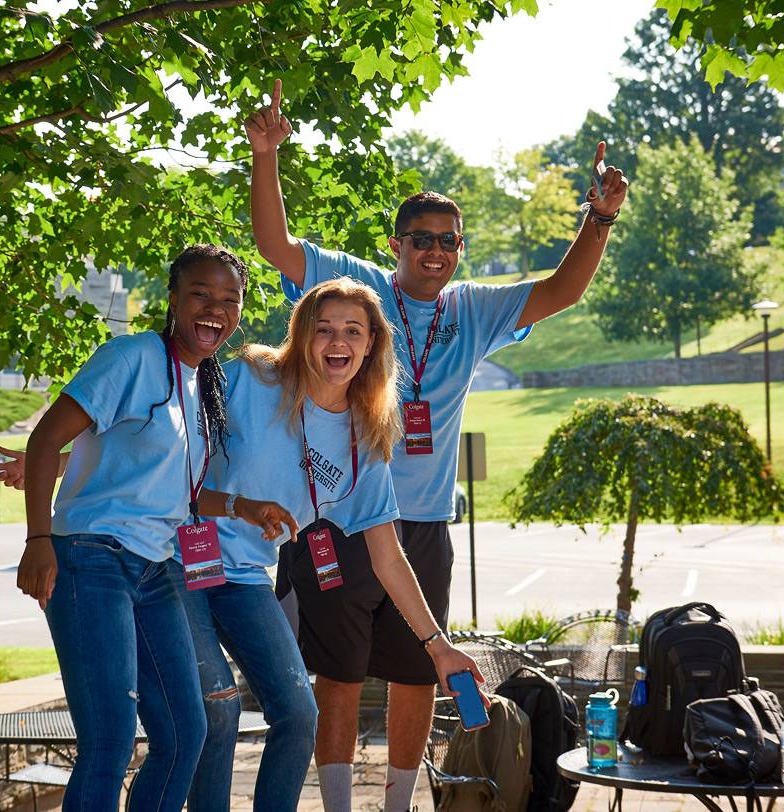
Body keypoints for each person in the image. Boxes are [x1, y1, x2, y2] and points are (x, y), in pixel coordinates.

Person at [244, 79, 629, 812]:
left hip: (423, 522)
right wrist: (266, 155)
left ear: (460, 250)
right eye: (421, 238)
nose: (436, 251)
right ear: (396, 246)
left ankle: (395, 805)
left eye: (449, 240)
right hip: (344, 516)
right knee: (340, 676)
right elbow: (274, 244)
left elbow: (562, 291)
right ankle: (335, 805)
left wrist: (599, 218)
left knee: (419, 674)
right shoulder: (356, 285)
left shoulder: (475, 309)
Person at [0, 277, 487, 812]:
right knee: (216, 712)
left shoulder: (366, 442)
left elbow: (389, 559)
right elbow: (167, 443)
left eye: (352, 331)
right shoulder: (253, 378)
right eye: (323, 329)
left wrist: (437, 644)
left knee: (298, 712)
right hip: (176, 561)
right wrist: (58, 464)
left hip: (244, 576)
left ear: (371, 345)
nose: (336, 342)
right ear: (302, 335)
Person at [11, 244, 295, 812]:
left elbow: (179, 491)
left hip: (157, 566)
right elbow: (45, 441)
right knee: (110, 738)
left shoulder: (200, 383)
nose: (215, 309)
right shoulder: (132, 357)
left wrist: (243, 506)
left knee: (185, 732)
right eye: (200, 294)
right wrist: (38, 541)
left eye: (229, 300)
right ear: (172, 299)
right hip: (91, 558)